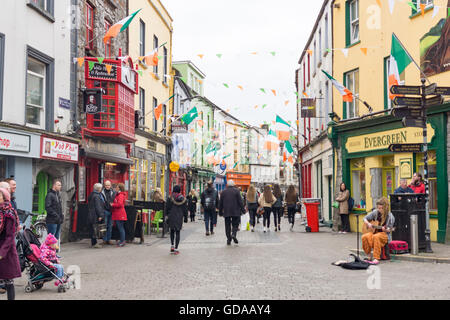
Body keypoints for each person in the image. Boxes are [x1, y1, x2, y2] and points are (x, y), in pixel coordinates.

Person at [0, 188, 21, 300]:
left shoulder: (9, 214)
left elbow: (9, 236)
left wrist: (1, 253)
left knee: (9, 281)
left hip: (6, 252)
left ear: (5, 197)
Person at [362, 197, 395, 265]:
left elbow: (389, 229)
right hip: (375, 232)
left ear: (385, 207)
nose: (379, 210)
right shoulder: (376, 212)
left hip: (384, 235)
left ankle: (376, 258)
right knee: (365, 236)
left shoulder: (390, 216)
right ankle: (368, 256)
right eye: (378, 208)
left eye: (381, 208)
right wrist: (368, 224)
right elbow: (365, 218)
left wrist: (386, 229)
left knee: (376, 237)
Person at [219, 180, 245, 245]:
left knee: (227, 226)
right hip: (235, 211)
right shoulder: (237, 191)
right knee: (235, 224)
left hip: (226, 211)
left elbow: (220, 203)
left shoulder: (223, 192)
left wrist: (220, 212)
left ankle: (228, 239)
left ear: (227, 185)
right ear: (233, 185)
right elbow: (240, 202)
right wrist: (243, 210)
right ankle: (233, 234)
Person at [166, 185, 188, 255]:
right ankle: (176, 249)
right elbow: (185, 209)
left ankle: (172, 245)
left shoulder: (170, 198)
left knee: (172, 231)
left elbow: (167, 207)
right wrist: (186, 218)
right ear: (179, 191)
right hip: (179, 217)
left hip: (171, 216)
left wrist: (166, 215)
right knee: (177, 232)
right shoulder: (183, 199)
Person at [87, 183, 105, 249]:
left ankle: (94, 242)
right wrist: (100, 215)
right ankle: (94, 243)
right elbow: (98, 206)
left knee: (92, 229)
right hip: (95, 215)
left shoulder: (92, 194)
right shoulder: (97, 196)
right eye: (101, 188)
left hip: (91, 214)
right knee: (95, 229)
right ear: (99, 189)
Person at [111, 183, 128, 247]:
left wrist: (113, 204)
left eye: (117, 187)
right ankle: (122, 240)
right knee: (120, 227)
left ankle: (122, 241)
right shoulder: (119, 194)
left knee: (121, 228)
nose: (116, 188)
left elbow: (120, 204)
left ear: (119, 188)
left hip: (120, 214)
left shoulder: (120, 195)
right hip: (119, 213)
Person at [101, 181, 116, 245]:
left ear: (110, 185)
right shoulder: (102, 192)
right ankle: (104, 239)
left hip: (112, 211)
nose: (107, 186)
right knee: (105, 226)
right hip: (105, 211)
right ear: (104, 185)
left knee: (110, 226)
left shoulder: (114, 192)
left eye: (108, 185)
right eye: (106, 185)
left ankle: (109, 239)